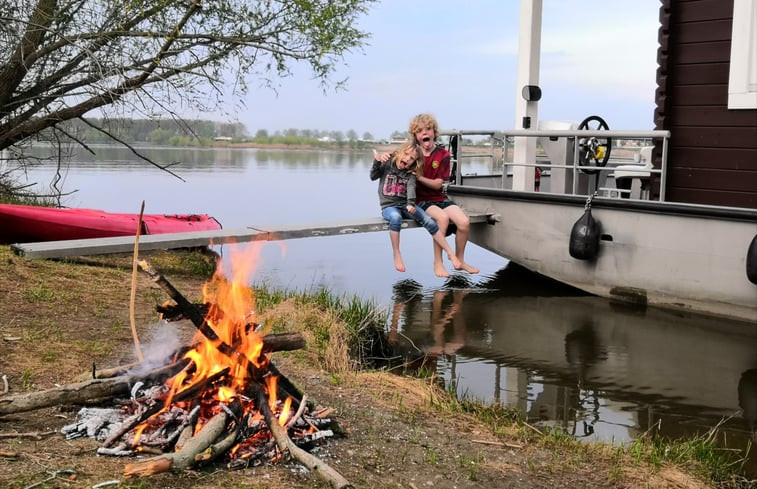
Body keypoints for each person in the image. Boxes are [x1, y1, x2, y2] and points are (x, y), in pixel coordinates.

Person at [371, 141, 462, 273]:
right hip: (389, 206)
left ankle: (450, 253)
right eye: (406, 154)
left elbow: (411, 189)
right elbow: (373, 176)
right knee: (395, 218)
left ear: (414, 162)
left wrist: (410, 204)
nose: (407, 158)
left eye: (412, 158)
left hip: (405, 205)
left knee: (429, 221)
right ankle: (397, 254)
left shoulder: (410, 174)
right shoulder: (387, 163)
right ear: (400, 152)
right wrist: (377, 162)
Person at [410, 113, 479, 277]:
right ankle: (438, 262)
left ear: (434, 132)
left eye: (428, 129)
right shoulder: (412, 153)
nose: (424, 133)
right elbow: (396, 161)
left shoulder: (443, 155)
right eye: (420, 131)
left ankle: (460, 260)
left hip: (439, 197)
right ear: (416, 136)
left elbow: (438, 184)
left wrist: (419, 177)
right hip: (421, 200)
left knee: (464, 222)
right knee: (442, 218)